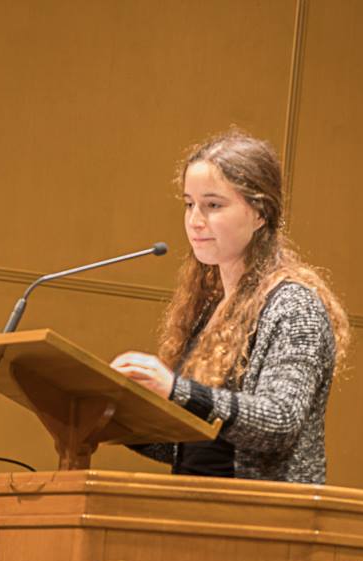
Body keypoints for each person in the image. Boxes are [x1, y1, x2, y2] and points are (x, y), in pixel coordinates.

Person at [110, 129, 350, 484]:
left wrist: (176, 391)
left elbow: (280, 421)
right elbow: (195, 445)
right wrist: (113, 415)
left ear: (260, 213)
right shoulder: (211, 307)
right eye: (189, 204)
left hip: (259, 513)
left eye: (213, 205)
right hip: (193, 505)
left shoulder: (293, 306)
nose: (195, 220)